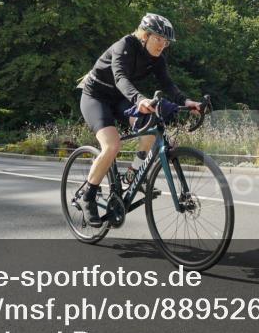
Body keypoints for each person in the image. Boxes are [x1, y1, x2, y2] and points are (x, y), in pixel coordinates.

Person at [75, 13, 201, 226]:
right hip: (96, 97)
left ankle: (133, 174)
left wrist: (187, 101)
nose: (162, 45)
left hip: (120, 99)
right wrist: (140, 99)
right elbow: (120, 78)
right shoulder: (124, 46)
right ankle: (88, 195)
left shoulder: (157, 58)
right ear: (145, 35)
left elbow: (168, 84)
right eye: (158, 39)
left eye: (166, 42)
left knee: (150, 129)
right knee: (112, 145)